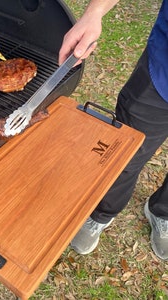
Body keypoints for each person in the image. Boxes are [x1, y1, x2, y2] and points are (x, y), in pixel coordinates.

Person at [59, 0, 168, 260]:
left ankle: (162, 211)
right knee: (124, 155)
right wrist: (94, 12)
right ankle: (102, 213)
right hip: (163, 77)